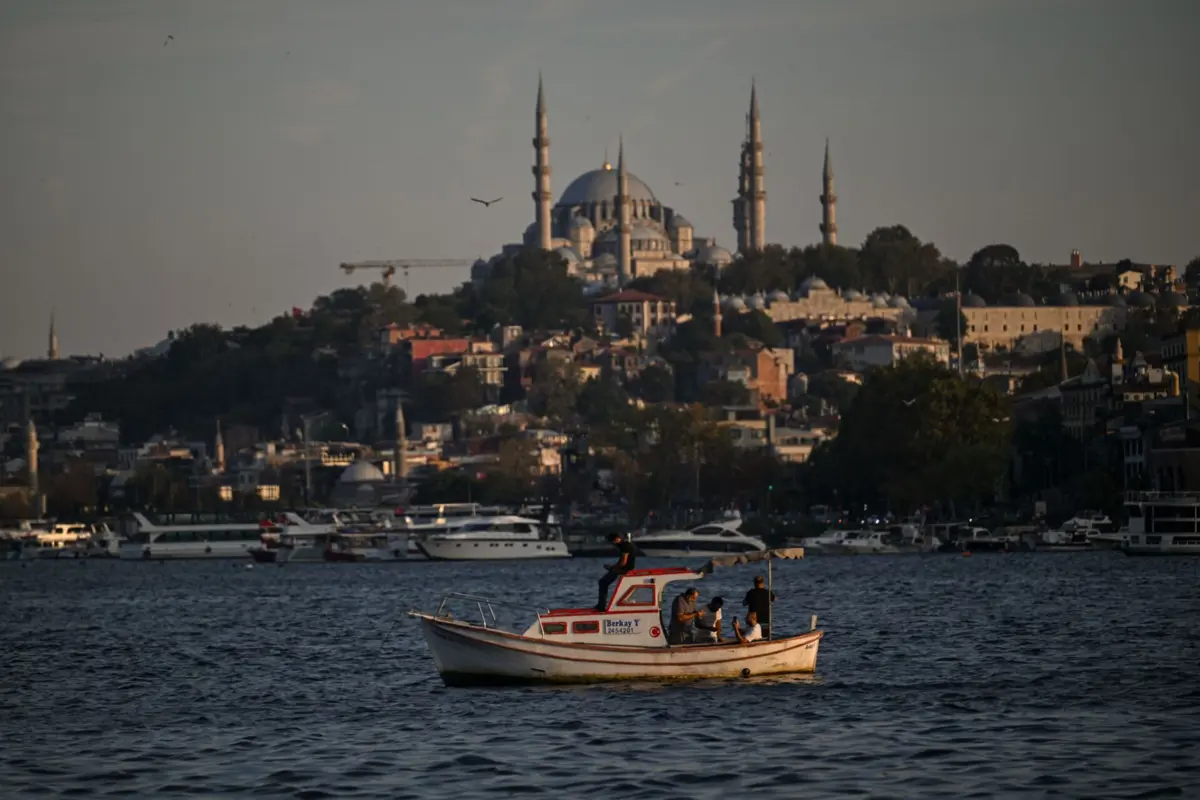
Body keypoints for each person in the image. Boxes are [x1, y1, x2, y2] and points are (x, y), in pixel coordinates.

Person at [596, 532, 636, 611]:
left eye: (612, 542)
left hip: (625, 569)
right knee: (603, 581)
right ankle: (601, 605)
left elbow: (623, 562)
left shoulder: (625, 546)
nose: (613, 544)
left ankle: (601, 606)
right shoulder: (624, 545)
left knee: (603, 582)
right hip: (624, 568)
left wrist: (612, 568)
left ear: (617, 539)